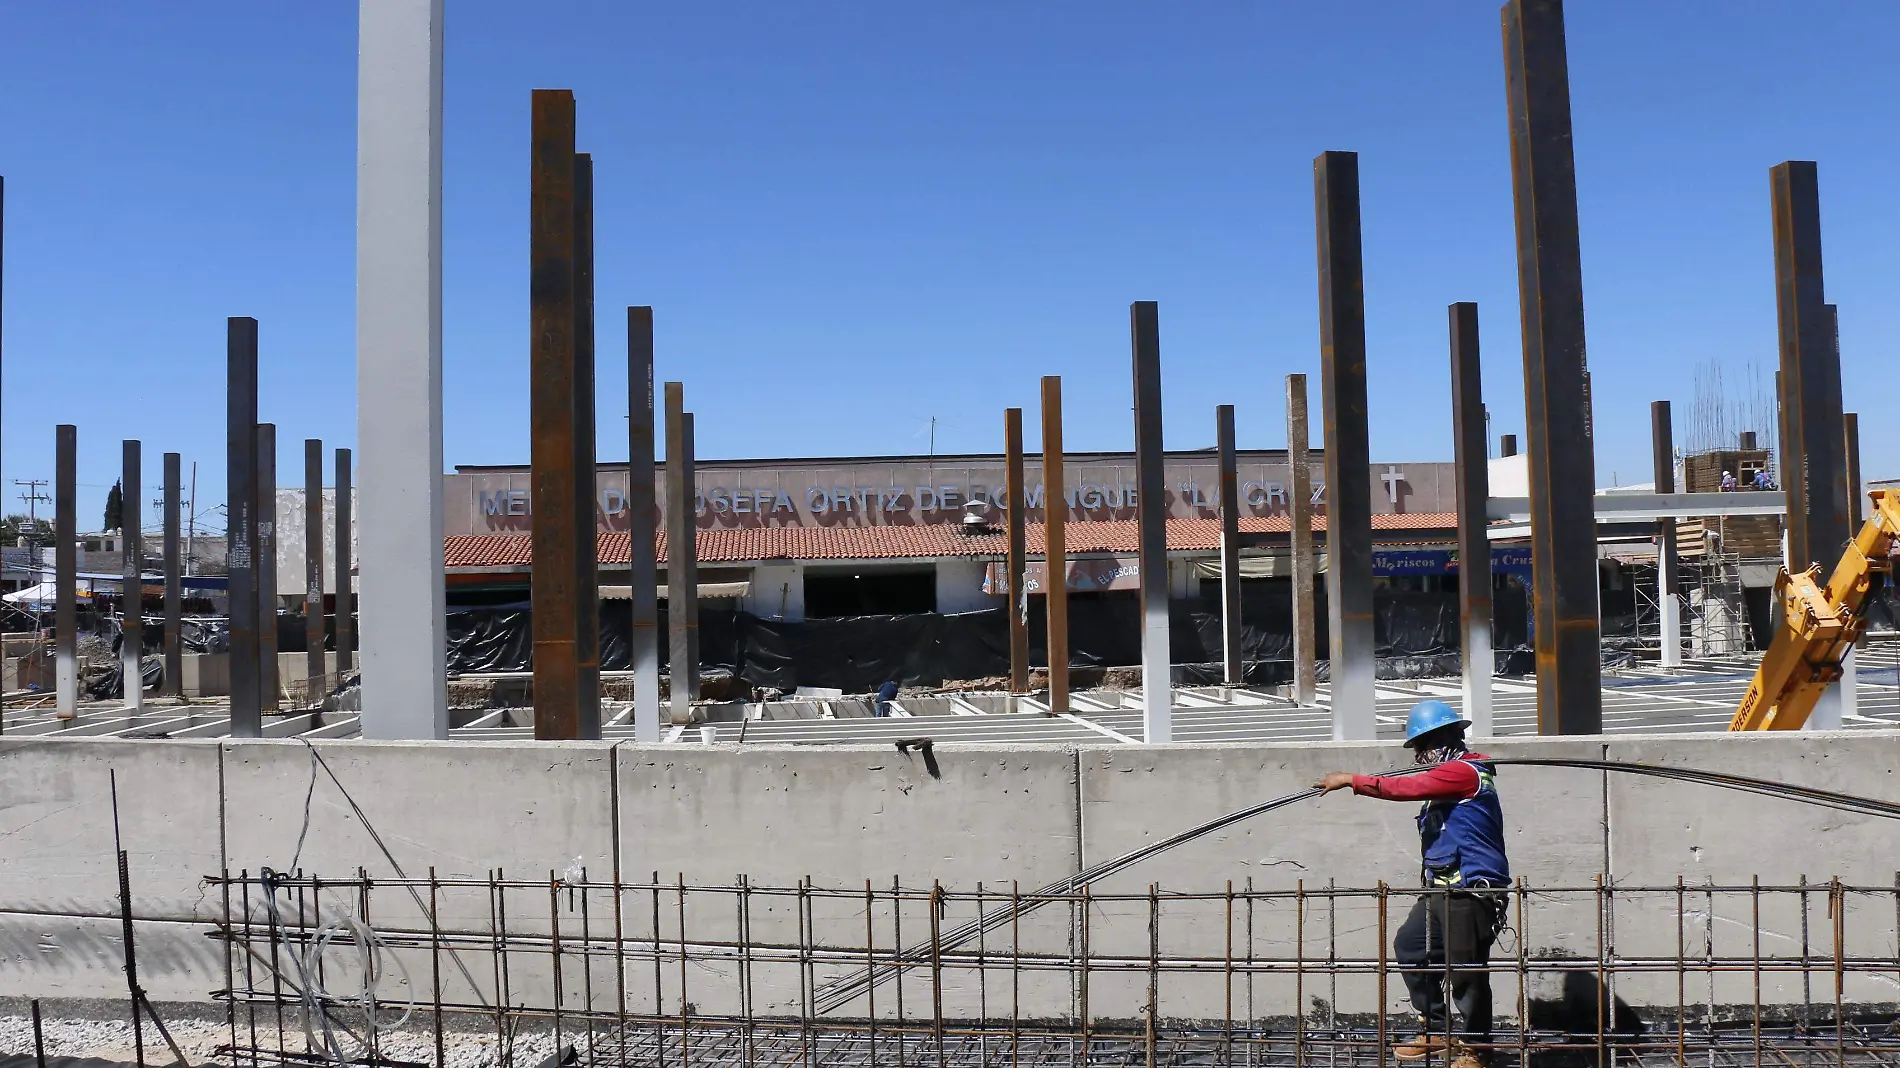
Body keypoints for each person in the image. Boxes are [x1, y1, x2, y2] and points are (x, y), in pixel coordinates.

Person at [1315, 700, 1508, 1067]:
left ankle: (1476, 1050)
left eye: (1425, 745)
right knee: (1411, 947)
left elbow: (1406, 787)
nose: (1420, 754)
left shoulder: (1464, 773)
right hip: (1442, 887)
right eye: (1418, 747)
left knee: (1466, 970)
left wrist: (1352, 780)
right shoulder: (1446, 778)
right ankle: (1437, 1029)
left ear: (1449, 738)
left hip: (1471, 889)